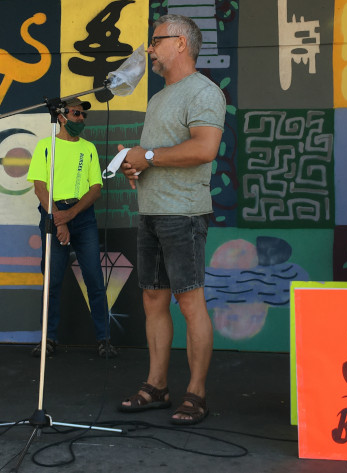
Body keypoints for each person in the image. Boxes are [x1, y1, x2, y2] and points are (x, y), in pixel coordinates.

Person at [116, 14, 226, 425]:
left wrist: (146, 157)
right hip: (151, 212)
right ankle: (157, 385)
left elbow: (204, 149)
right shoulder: (160, 97)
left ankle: (196, 393)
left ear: (180, 43)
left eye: (156, 41)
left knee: (189, 302)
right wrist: (138, 167)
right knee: (153, 299)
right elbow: (157, 154)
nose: (149, 49)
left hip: (184, 215)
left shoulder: (204, 92)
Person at [26, 98, 117, 358]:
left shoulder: (88, 148)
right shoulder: (46, 146)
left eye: (84, 116)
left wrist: (68, 217)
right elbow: (40, 188)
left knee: (95, 281)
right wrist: (58, 219)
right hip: (52, 216)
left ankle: (104, 339)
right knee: (52, 283)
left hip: (82, 218)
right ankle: (49, 339)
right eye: (77, 114)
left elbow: (95, 189)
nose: (81, 119)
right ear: (62, 116)